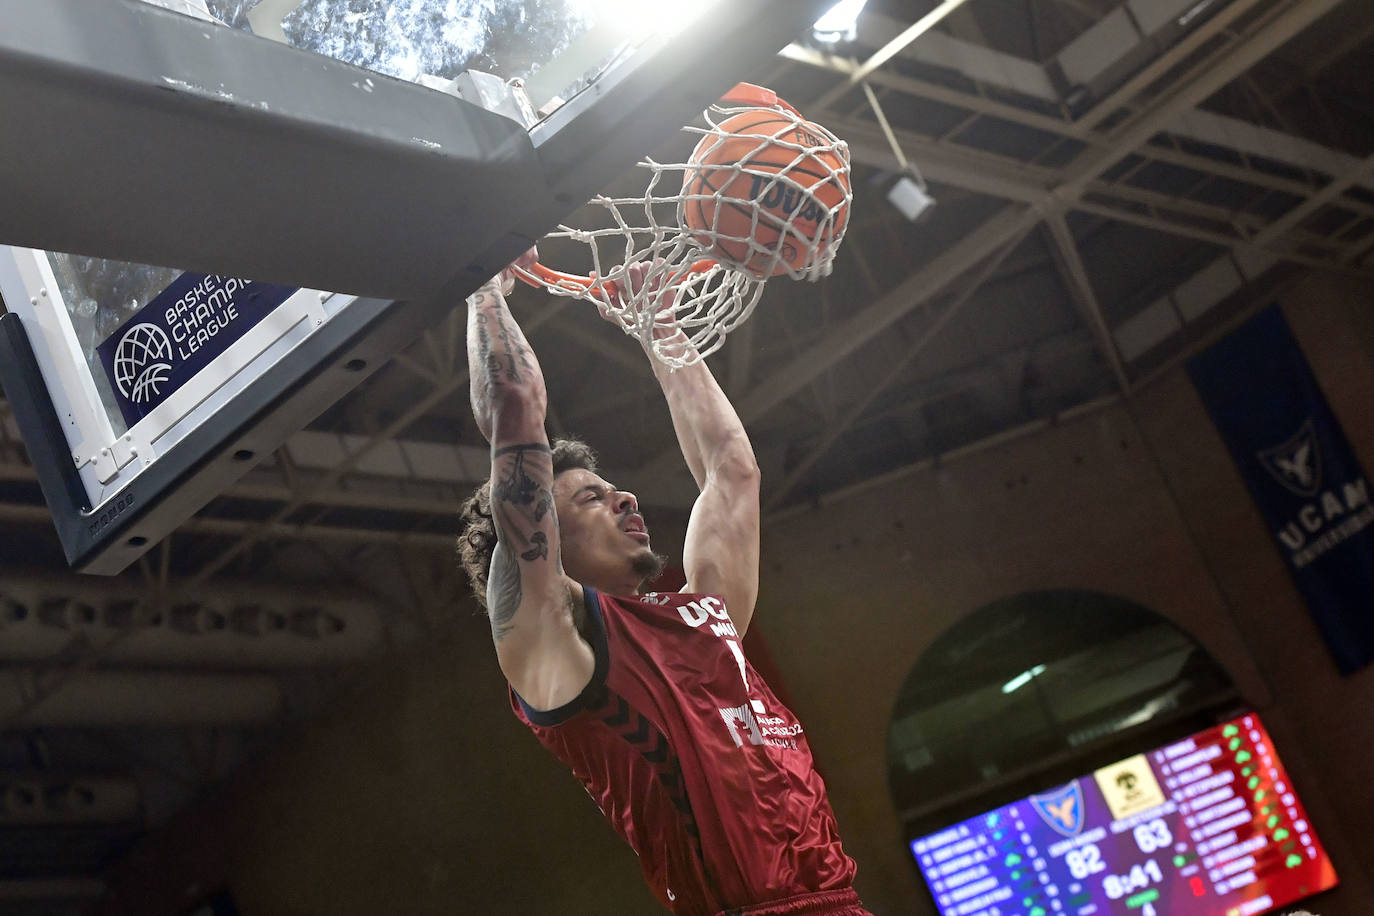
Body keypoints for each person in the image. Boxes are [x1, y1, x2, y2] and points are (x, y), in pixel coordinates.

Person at [457, 251, 871, 916]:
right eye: (592, 498)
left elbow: (730, 470)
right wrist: (484, 286)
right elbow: (513, 408)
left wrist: (657, 325)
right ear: (544, 547)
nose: (624, 497)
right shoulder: (556, 644)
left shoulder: (705, 620)